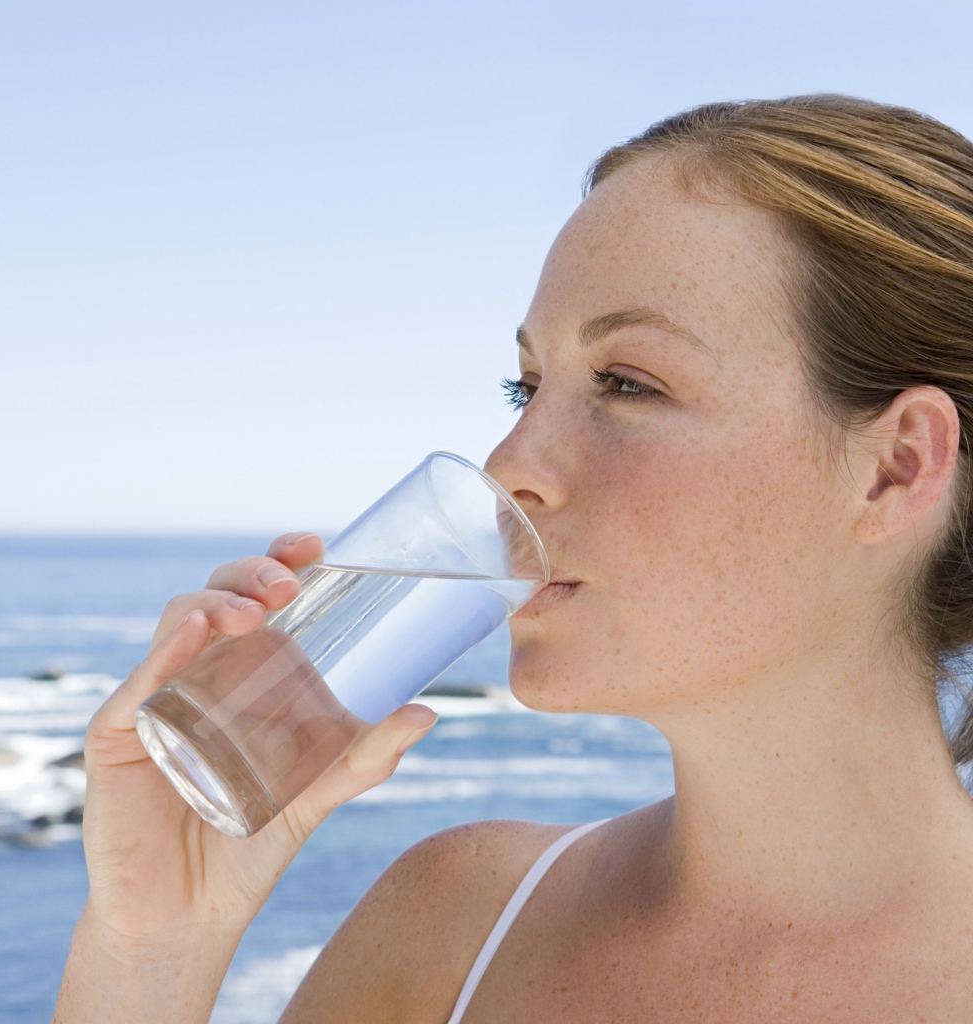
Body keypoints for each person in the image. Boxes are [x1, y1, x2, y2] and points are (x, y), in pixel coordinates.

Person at [53, 95, 973, 1022]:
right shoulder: (452, 929)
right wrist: (152, 949)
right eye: (524, 387)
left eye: (626, 383)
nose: (509, 466)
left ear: (895, 470)